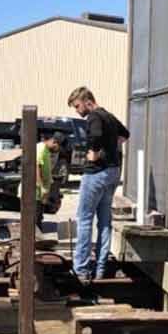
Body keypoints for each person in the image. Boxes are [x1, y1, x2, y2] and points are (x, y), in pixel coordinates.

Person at [68, 86, 128, 282]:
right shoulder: (108, 116)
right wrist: (110, 150)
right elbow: (125, 134)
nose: (77, 110)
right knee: (104, 222)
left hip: (96, 174)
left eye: (77, 106)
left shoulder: (94, 116)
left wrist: (96, 152)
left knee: (84, 220)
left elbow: (95, 135)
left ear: (88, 101)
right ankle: (100, 269)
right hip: (113, 172)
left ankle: (81, 269)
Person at [20, 132, 64, 230]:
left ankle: (36, 236)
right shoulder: (41, 148)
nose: (57, 151)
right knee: (34, 220)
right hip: (34, 191)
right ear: (54, 142)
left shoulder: (46, 150)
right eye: (58, 148)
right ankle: (33, 238)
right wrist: (41, 187)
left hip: (39, 192)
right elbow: (36, 166)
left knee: (38, 217)